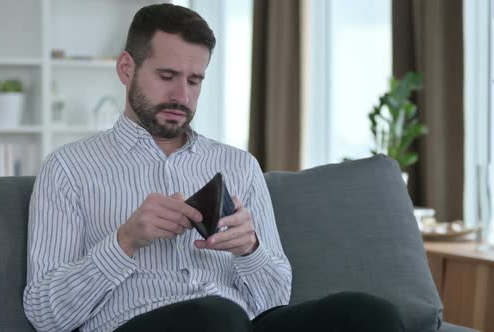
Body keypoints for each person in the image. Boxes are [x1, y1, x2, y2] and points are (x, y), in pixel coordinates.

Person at [23, 4, 406, 332]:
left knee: (371, 314)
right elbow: (45, 315)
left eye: (195, 80)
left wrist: (250, 250)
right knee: (215, 317)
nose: (182, 96)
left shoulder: (239, 165)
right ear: (127, 68)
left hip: (238, 323)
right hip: (141, 322)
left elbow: (275, 299)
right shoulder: (69, 168)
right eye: (167, 76)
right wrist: (125, 241)